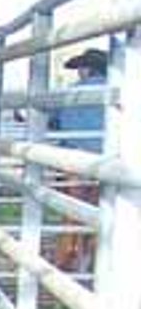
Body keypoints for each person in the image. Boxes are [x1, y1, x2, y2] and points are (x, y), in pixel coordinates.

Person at [47, 47, 107, 271]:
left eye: (81, 68)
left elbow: (52, 121)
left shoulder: (71, 92)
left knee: (72, 210)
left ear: (87, 69)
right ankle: (91, 261)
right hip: (107, 161)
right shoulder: (119, 91)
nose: (79, 72)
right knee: (101, 210)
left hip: (74, 159)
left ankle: (67, 258)